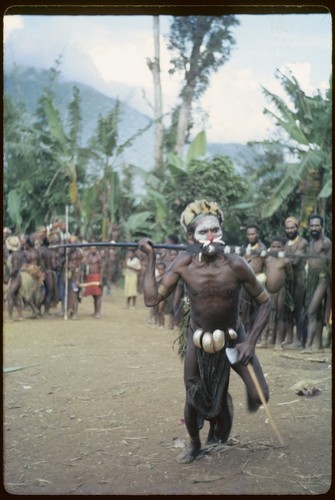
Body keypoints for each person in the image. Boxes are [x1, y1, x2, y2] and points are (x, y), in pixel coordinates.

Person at [139, 199, 271, 464]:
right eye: (203, 232)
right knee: (193, 396)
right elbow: (151, 299)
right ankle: (195, 444)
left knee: (260, 395)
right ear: (191, 237)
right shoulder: (183, 264)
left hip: (234, 337)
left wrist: (251, 343)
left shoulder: (236, 265)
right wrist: (151, 258)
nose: (211, 237)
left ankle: (222, 409)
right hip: (198, 337)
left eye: (216, 231)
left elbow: (265, 302)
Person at [303, 214, 332, 352]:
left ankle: (308, 345)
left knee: (312, 311)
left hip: (322, 279)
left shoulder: (326, 243)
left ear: (322, 226)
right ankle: (317, 344)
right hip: (311, 279)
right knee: (317, 312)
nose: (314, 228)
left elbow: (330, 264)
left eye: (317, 225)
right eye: (312, 225)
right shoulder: (311, 243)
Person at [259, 236, 293, 348]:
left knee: (280, 316)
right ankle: (265, 339)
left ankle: (278, 342)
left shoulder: (285, 261)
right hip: (268, 291)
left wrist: (281, 283)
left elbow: (290, 277)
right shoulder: (267, 260)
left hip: (280, 291)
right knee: (267, 315)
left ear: (283, 248)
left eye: (278, 247)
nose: (276, 249)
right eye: (273, 246)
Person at [283, 216, 308, 348]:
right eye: (287, 228)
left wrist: (283, 260)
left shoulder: (302, 242)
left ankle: (299, 340)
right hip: (289, 279)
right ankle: (289, 338)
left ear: (297, 228)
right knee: (288, 309)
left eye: (292, 227)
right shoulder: (287, 243)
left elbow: (296, 261)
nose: (290, 230)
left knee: (298, 309)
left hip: (299, 278)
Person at [240, 224, 267, 336]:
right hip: (246, 281)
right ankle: (246, 333)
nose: (251, 236)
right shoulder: (246, 248)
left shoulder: (262, 248)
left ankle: (256, 334)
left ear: (258, 234)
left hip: (258, 281)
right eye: (249, 234)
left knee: (255, 310)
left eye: (253, 234)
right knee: (245, 309)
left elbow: (265, 265)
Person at [84, 243, 103, 318]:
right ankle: (95, 311)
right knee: (94, 295)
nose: (92, 250)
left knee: (98, 295)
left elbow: (101, 268)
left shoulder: (98, 257)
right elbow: (84, 263)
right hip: (90, 276)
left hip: (96, 276)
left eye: (94, 248)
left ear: (96, 249)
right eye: (91, 248)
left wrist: (100, 279)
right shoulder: (88, 256)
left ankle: (98, 312)